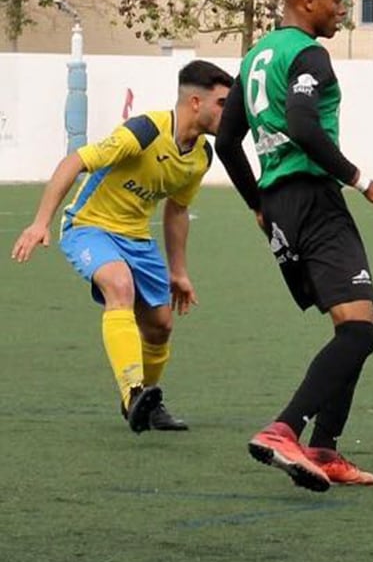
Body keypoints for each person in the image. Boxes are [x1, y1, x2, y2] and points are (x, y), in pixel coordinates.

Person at [217, 0, 373, 492]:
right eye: (335, 1)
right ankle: (285, 429)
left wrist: (258, 204)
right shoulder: (310, 55)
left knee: (360, 323)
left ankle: (325, 448)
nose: (341, 11)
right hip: (314, 198)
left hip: (282, 205)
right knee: (358, 329)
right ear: (305, 0)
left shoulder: (257, 56)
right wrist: (364, 182)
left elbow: (227, 140)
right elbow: (304, 124)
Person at [10, 60, 234, 433]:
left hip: (136, 238)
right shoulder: (144, 131)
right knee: (119, 285)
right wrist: (40, 222)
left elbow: (177, 210)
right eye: (224, 103)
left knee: (161, 326)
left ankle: (145, 399)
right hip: (89, 227)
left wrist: (178, 271)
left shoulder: (201, 156)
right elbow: (75, 161)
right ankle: (132, 394)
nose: (230, 112)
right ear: (196, 101)